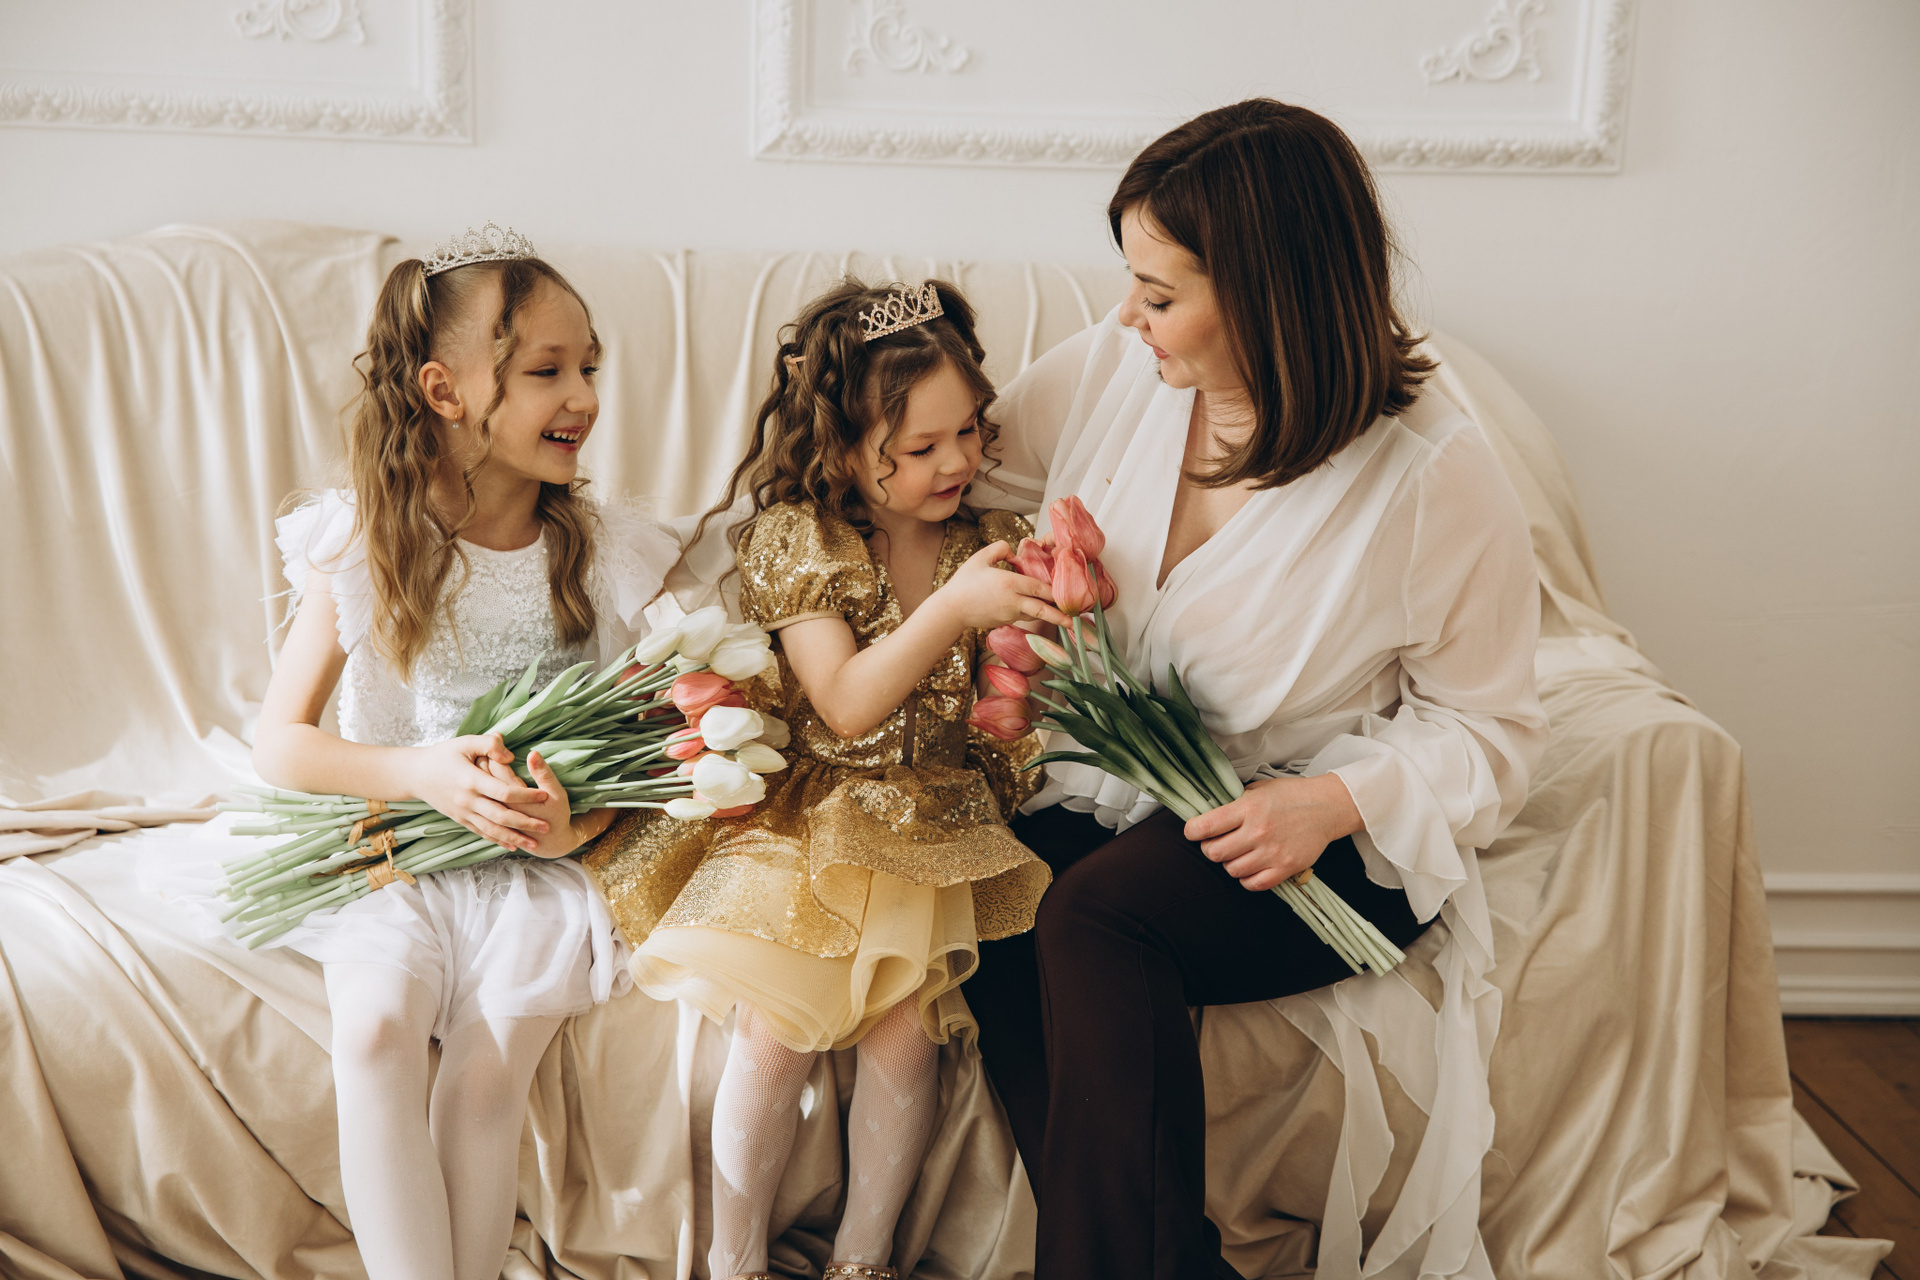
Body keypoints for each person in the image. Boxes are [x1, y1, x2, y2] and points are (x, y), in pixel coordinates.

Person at [962, 100, 1551, 1280]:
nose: (1126, 317)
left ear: (1271, 295)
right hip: (1110, 792)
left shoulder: (1432, 473)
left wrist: (1330, 802)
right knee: (993, 894)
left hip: (1312, 829)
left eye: (1158, 293)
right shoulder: (1120, 371)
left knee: (1096, 913)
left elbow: (1493, 731)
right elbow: (949, 474)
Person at [151, 227, 681, 1280]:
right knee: (377, 1033)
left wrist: (575, 825)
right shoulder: (363, 539)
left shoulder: (601, 550)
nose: (582, 396)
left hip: (532, 868)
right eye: (546, 371)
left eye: (588, 368)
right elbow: (282, 742)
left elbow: (659, 739)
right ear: (444, 391)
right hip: (390, 837)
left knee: (487, 1075)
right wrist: (423, 774)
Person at [584, 279, 1067, 1280]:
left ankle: (863, 1258)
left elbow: (1005, 697)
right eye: (921, 446)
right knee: (776, 1036)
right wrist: (954, 609)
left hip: (933, 817)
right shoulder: (804, 540)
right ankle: (734, 1258)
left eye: (969, 431)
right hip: (813, 814)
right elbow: (844, 702)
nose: (958, 462)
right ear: (842, 448)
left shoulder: (984, 542)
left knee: (905, 1041)